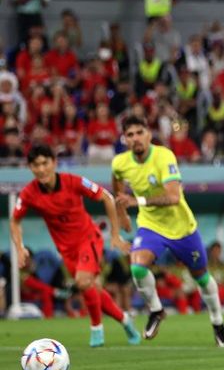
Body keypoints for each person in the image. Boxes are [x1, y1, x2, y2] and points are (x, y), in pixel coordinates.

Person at [112, 115, 224, 347]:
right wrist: (122, 214)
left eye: (139, 132)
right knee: (137, 267)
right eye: (130, 134)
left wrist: (137, 202)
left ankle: (217, 322)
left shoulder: (164, 156)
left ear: (148, 134)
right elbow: (117, 184)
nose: (135, 138)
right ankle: (156, 311)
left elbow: (174, 197)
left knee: (202, 278)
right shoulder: (119, 163)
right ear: (124, 139)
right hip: (151, 226)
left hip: (182, 228)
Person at [9, 144, 140, 347]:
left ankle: (96, 329)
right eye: (36, 165)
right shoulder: (29, 193)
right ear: (30, 167)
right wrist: (19, 247)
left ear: (54, 163)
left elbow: (106, 197)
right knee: (92, 288)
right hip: (66, 250)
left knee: (83, 281)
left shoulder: (73, 181)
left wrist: (115, 235)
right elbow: (15, 220)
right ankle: (124, 320)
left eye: (45, 163)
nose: (41, 169)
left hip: (89, 239)